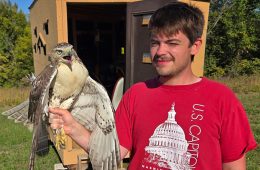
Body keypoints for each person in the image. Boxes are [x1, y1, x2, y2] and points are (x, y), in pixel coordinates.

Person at [49, 2, 257, 169]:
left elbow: (234, 165)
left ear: (195, 46)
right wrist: (73, 127)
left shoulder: (221, 98)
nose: (160, 51)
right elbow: (110, 154)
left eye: (172, 43)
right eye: (155, 42)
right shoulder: (136, 94)